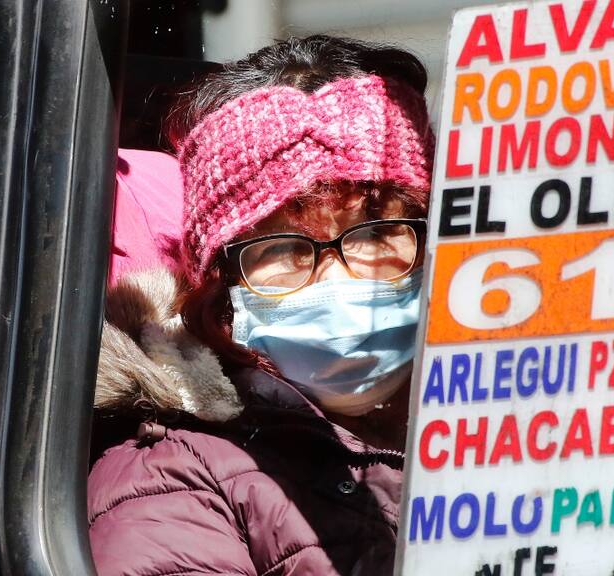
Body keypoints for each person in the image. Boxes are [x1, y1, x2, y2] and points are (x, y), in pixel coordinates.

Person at [88, 35, 434, 576]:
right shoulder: (173, 485)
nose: (340, 277)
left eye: (377, 233)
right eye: (284, 248)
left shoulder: (507, 421)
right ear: (222, 291)